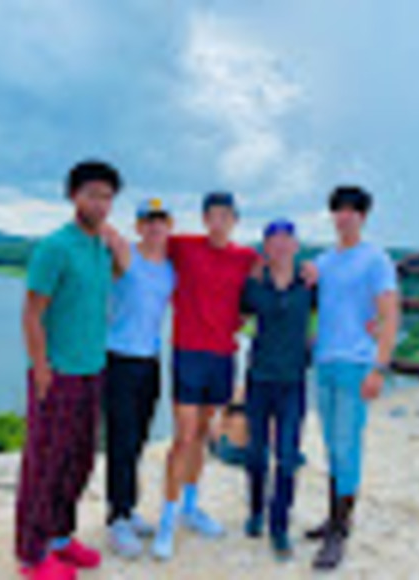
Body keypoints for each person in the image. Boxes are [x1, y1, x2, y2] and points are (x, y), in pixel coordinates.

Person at [15, 161, 123, 580]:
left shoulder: (100, 248)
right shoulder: (55, 248)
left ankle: (59, 538)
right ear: (74, 196)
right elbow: (32, 314)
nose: (101, 204)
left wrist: (119, 246)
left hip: (93, 371)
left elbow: (121, 272)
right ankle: (31, 554)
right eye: (93, 194)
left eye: (107, 196)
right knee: (45, 466)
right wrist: (41, 369)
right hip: (58, 374)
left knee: (78, 462)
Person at [151, 192, 261, 561]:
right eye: (212, 216)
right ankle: (167, 518)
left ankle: (190, 506)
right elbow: (146, 244)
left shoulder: (246, 257)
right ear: (204, 219)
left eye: (225, 216)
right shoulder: (184, 247)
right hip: (188, 352)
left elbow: (273, 275)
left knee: (201, 434)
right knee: (183, 437)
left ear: (234, 221)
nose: (218, 222)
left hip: (223, 356)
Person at [305, 186, 400, 571]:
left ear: (363, 217)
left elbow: (390, 315)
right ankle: (334, 517)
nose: (344, 217)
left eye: (351, 211)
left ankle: (339, 532)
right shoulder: (323, 261)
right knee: (332, 444)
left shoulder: (376, 259)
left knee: (347, 446)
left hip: (356, 365)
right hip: (324, 363)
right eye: (338, 210)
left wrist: (379, 367)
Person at [102, 199, 176, 558]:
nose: (154, 227)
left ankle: (128, 508)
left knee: (138, 440)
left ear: (169, 226)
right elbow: (100, 229)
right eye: (148, 221)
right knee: (121, 439)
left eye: (160, 221)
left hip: (150, 361)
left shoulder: (170, 268)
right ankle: (116, 517)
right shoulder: (124, 255)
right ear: (138, 226)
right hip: (118, 359)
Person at [240, 219, 317, 561]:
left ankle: (279, 526)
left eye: (287, 239)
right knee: (256, 454)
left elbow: (335, 313)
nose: (281, 246)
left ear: (296, 246)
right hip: (259, 380)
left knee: (287, 457)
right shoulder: (254, 285)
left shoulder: (310, 283)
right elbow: (236, 315)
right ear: (266, 248)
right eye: (273, 240)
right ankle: (256, 510)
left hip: (293, 383)